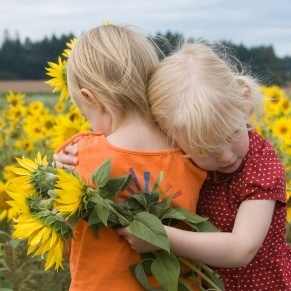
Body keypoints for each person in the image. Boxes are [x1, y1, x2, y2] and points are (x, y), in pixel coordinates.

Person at [54, 25, 206, 291]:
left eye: (84, 112)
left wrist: (62, 179)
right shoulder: (191, 152)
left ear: (90, 97)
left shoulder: (79, 155)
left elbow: (64, 238)